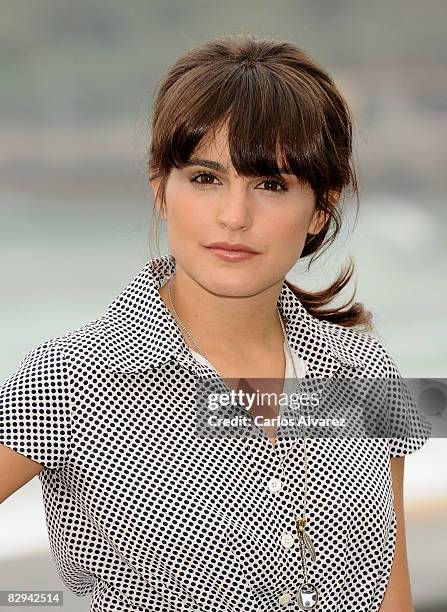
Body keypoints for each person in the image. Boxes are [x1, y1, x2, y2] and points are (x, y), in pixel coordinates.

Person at [0, 34, 431, 612]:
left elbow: (391, 598)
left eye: (272, 185)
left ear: (321, 207)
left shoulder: (364, 372)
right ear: (160, 189)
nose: (234, 216)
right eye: (205, 179)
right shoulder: (71, 379)